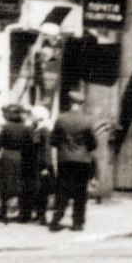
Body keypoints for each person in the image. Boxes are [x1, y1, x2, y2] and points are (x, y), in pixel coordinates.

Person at [47, 92, 98, 232]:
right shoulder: (87, 121)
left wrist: (64, 147)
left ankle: (56, 220)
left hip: (65, 161)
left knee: (62, 191)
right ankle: (78, 223)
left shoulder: (61, 120)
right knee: (81, 193)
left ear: (69, 102)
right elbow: (93, 144)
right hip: (83, 162)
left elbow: (53, 141)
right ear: (81, 104)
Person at [0, 105, 39, 223]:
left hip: (7, 158)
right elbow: (32, 145)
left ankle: (3, 212)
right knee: (21, 186)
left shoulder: (5, 128)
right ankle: (23, 214)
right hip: (22, 158)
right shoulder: (27, 129)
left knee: (4, 185)